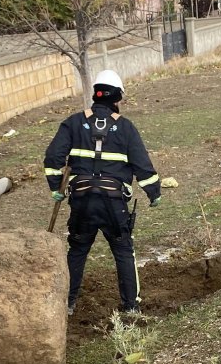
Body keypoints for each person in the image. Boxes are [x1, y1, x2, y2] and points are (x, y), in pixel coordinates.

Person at [43, 70, 161, 316]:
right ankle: (131, 307)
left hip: (82, 202)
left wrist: (56, 188)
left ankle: (68, 304)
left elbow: (53, 157)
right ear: (117, 97)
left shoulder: (73, 123)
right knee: (123, 251)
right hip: (113, 204)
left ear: (96, 95)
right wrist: (154, 192)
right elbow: (142, 165)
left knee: (77, 250)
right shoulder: (126, 127)